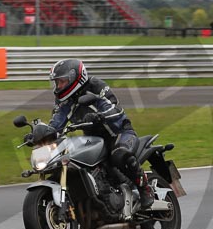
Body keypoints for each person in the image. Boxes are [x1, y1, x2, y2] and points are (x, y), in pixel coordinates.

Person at [45, 58, 154, 208]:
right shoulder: (64, 101)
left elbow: (115, 108)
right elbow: (56, 123)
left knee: (119, 155)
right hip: (94, 140)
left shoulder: (96, 86)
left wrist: (100, 116)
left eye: (62, 81)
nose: (59, 86)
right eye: (57, 82)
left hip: (119, 133)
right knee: (76, 163)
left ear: (75, 78)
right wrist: (42, 134)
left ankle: (145, 189)